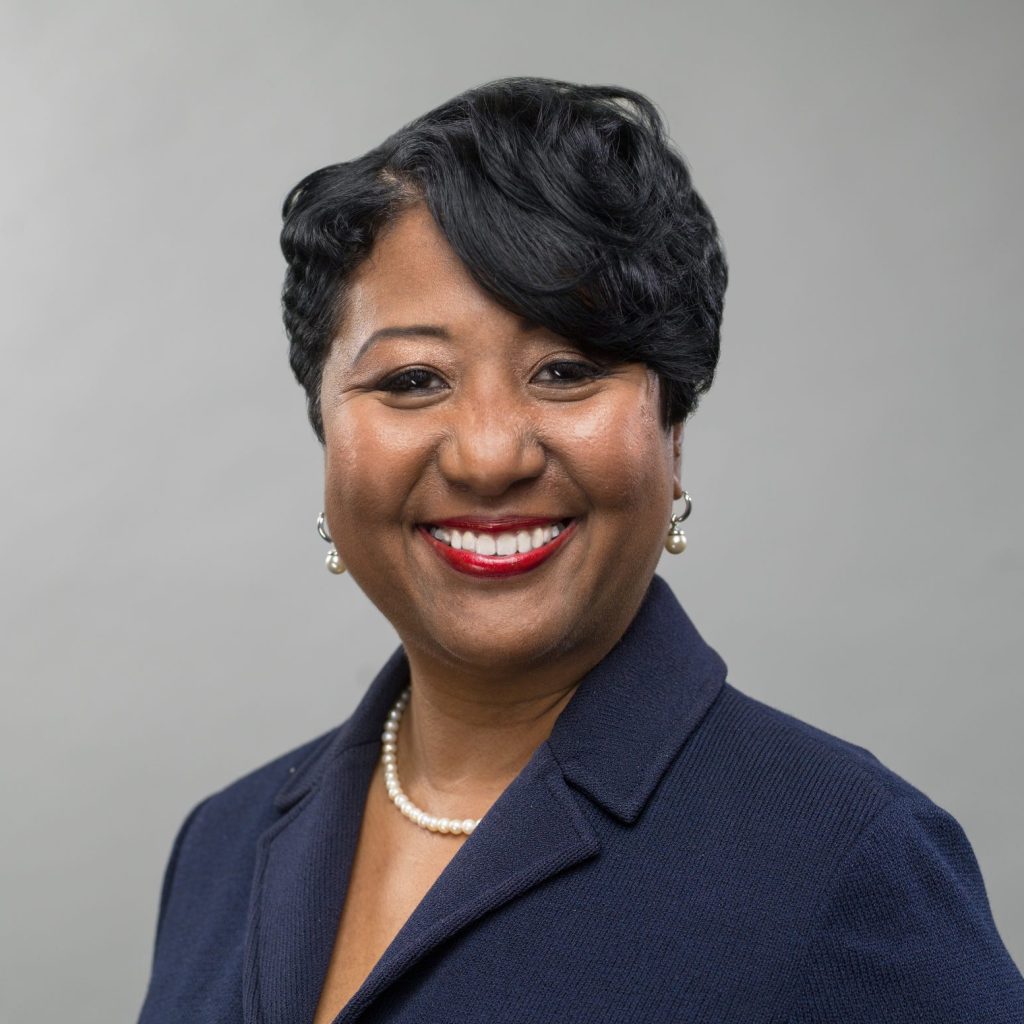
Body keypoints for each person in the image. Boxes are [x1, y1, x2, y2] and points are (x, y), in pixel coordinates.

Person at [137, 77, 1024, 1024]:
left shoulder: (844, 855)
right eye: (411, 378)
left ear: (672, 430)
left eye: (566, 371)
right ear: (324, 428)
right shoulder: (223, 845)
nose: (489, 455)